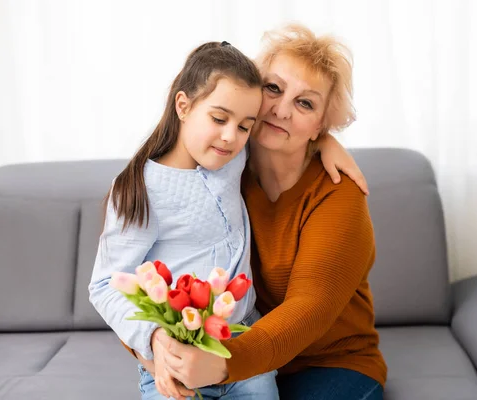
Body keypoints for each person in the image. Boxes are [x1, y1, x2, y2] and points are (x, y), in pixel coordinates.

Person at [90, 40, 366, 400]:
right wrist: (153, 341)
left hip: (265, 353)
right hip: (186, 355)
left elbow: (309, 307)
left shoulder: (239, 160)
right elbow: (108, 284)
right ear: (183, 106)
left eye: (305, 103)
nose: (230, 134)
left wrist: (327, 141)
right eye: (274, 89)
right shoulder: (159, 183)